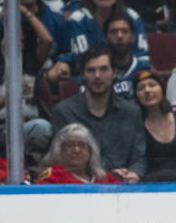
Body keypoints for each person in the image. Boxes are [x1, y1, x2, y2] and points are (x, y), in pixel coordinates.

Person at [50, 48, 145, 182]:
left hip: (124, 187)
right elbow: (60, 159)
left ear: (114, 72)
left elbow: (140, 157)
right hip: (81, 187)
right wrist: (104, 176)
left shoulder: (131, 112)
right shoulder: (63, 111)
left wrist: (134, 173)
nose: (98, 76)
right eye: (91, 70)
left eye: (104, 69)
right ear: (83, 74)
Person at [33, 122, 122, 184]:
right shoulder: (53, 176)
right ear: (59, 149)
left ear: (91, 151)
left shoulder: (103, 177)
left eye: (82, 145)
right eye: (70, 145)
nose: (76, 150)